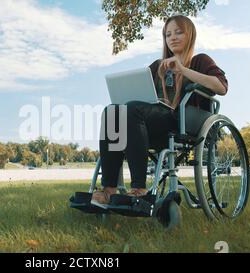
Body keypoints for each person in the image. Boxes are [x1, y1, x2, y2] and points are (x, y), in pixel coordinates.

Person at [91, 14, 228, 208]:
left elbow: (221, 87)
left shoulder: (200, 61)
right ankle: (108, 189)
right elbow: (141, 94)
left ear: (190, 35)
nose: (172, 37)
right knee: (112, 112)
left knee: (129, 110)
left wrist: (183, 70)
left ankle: (139, 188)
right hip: (149, 126)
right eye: (168, 34)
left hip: (184, 122)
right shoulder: (158, 66)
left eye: (179, 32)